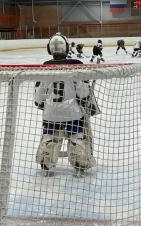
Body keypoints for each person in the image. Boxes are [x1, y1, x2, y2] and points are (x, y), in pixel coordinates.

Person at [34, 33, 100, 176]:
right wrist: (86, 102)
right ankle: (79, 165)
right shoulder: (76, 65)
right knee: (76, 137)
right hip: (73, 113)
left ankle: (47, 165)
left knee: (49, 137)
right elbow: (83, 92)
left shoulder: (45, 67)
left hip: (51, 113)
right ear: (67, 48)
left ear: (49, 49)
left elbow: (39, 95)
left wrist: (40, 103)